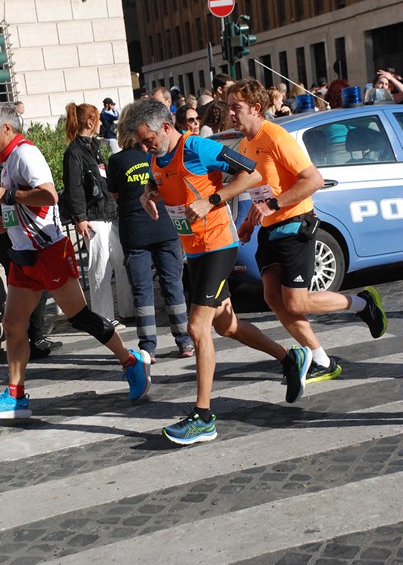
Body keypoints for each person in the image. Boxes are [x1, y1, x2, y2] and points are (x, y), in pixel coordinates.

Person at [119, 98, 312, 446]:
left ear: (166, 127)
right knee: (226, 325)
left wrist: (212, 200)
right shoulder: (156, 157)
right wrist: (149, 194)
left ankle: (203, 417)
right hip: (194, 251)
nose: (145, 146)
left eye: (148, 139)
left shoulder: (197, 147)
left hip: (218, 246)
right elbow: (160, 181)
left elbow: (250, 173)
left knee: (197, 327)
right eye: (141, 142)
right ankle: (289, 357)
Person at [228, 78, 388, 385]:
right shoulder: (246, 144)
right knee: (274, 298)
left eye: (236, 107)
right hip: (269, 230)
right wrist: (249, 221)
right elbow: (263, 191)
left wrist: (274, 205)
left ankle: (363, 304)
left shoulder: (276, 137)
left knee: (296, 303)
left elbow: (312, 179)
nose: (231, 113)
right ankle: (322, 360)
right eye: (229, 107)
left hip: (294, 227)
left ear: (256, 108)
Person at [0, 104, 151, 419]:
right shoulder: (5, 160)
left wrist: (10, 196)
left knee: (81, 317)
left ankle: (130, 361)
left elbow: (49, 195)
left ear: (6, 129)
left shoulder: (25, 154)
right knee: (13, 325)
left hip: (49, 251)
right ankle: (16, 395)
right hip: (22, 254)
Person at [107, 105, 194, 363]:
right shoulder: (159, 156)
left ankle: (148, 347)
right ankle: (184, 340)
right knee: (173, 284)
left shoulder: (117, 161)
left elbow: (115, 194)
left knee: (143, 290)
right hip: (166, 226)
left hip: (135, 231)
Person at [62, 102, 134, 326]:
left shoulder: (93, 147)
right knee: (100, 267)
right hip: (93, 217)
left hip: (108, 213)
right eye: (98, 119)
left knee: (121, 261)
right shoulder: (74, 152)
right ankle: (104, 317)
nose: (102, 123)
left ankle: (128, 310)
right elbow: (73, 187)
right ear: (90, 122)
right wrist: (80, 218)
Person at [0, 232, 62, 359]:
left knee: (26, 280)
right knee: (34, 280)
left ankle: (31, 338)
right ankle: (33, 339)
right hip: (14, 234)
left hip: (15, 233)